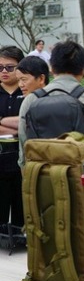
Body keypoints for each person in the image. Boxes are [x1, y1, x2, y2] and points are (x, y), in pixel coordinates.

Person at [18, 41, 84, 165]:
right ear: (83, 70)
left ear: (51, 68)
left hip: (43, 174)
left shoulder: (31, 100)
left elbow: (24, 147)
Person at [0, 46, 25, 231]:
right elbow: (24, 124)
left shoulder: (28, 92)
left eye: (9, 67)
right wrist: (19, 125)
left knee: (22, 212)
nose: (4, 71)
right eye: (0, 67)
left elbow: (31, 124)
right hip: (1, 158)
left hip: (22, 159)